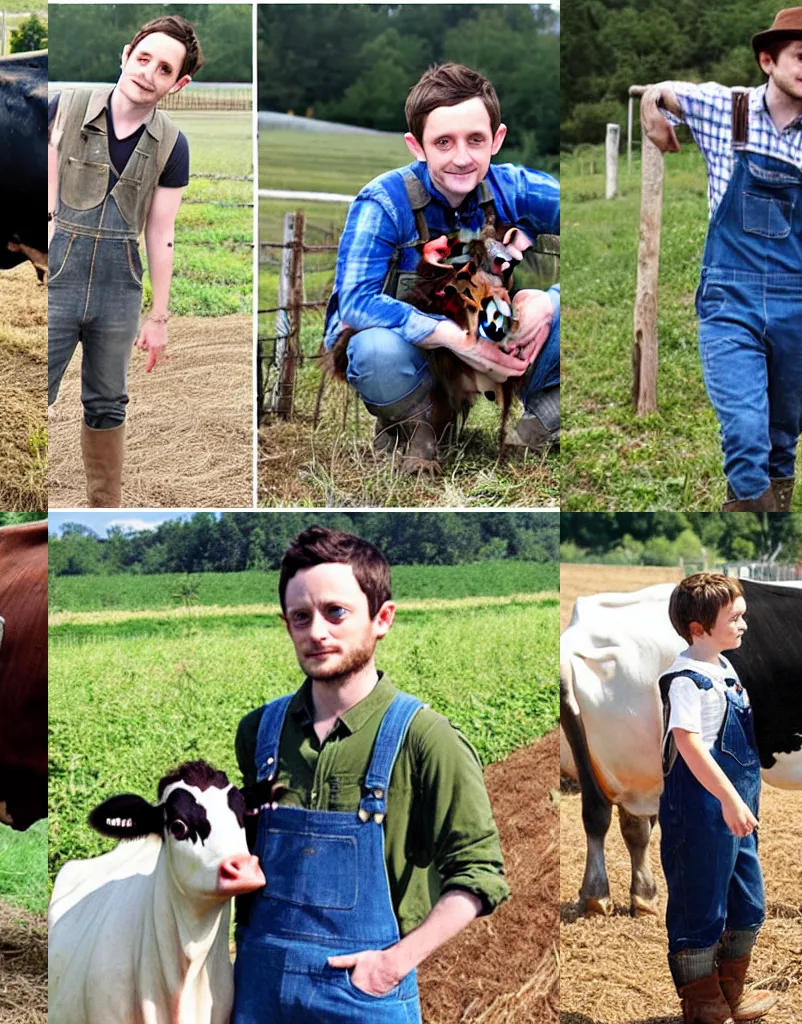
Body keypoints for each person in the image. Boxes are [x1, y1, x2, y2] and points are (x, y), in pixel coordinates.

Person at [231, 526, 508, 1022]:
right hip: (258, 989)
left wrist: (392, 964)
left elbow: (480, 873)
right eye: (301, 617)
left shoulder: (427, 739)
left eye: (336, 613)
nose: (317, 632)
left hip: (365, 995)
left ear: (382, 619)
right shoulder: (260, 733)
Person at [640, 7, 802, 511]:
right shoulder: (724, 109)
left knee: (783, 435)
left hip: (800, 303)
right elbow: (663, 91)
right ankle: (750, 522)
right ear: (767, 60)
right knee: (744, 428)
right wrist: (653, 107)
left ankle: (774, 510)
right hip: (728, 297)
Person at [322, 62, 561, 475]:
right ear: (417, 146)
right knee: (374, 349)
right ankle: (417, 426)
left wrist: (549, 301)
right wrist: (454, 338)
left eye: (475, 140)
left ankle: (543, 419)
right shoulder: (383, 202)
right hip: (414, 352)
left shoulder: (514, 188)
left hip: (493, 328)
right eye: (444, 142)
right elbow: (356, 304)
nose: (462, 158)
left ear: (497, 139)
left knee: (548, 310)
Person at [47, 15, 198, 506]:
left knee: (108, 402)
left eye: (164, 69)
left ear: (178, 83)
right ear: (125, 55)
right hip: (58, 272)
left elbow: (160, 231)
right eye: (143, 58)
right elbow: (42, 196)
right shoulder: (65, 108)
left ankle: (103, 504)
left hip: (119, 285)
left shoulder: (174, 145)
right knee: (38, 384)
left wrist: (158, 316)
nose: (148, 73)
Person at [657, 572, 777, 1024]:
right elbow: (688, 744)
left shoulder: (724, 668)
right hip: (702, 812)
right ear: (698, 628)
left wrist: (737, 801)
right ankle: (704, 1004)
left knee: (749, 903)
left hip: (735, 810)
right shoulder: (686, 679)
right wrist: (728, 799)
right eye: (736, 617)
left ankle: (730, 992)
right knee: (700, 906)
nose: (745, 624)